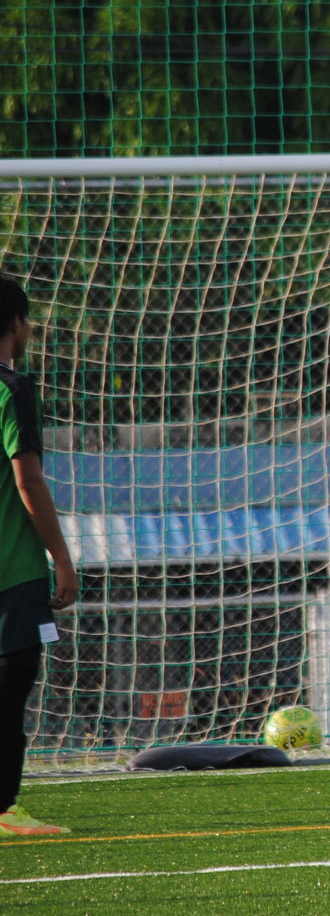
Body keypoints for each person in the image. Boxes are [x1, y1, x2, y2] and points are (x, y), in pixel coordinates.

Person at [0, 277, 78, 836]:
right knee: (11, 689)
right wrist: (63, 558)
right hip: (12, 571)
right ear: (16, 324)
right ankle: (4, 808)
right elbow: (27, 481)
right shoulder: (13, 389)